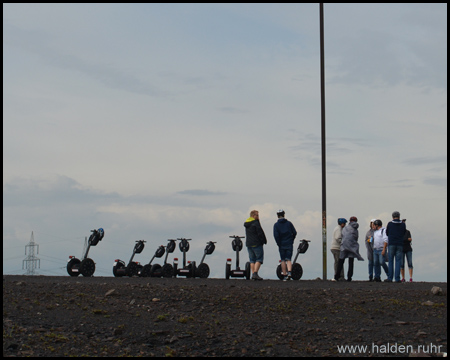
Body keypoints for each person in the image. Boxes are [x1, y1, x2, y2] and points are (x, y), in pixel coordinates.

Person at [334, 216, 364, 281]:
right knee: (351, 261)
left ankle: (337, 276)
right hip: (352, 246)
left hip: (344, 246)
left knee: (341, 261)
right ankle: (349, 277)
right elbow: (356, 238)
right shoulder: (356, 230)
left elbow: (342, 235)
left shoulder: (345, 228)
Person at [273, 209, 297, 281]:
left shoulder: (276, 225)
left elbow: (276, 235)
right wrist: (291, 240)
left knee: (283, 260)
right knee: (289, 259)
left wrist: (278, 243)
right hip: (289, 243)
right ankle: (289, 272)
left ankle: (284, 274)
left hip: (281, 244)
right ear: (284, 215)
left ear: (277, 216)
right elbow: (294, 232)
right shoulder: (289, 223)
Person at [244, 210, 267, 280]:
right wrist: (264, 241)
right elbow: (260, 233)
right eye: (257, 215)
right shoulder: (255, 223)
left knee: (252, 260)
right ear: (253, 216)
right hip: (256, 243)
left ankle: (253, 274)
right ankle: (255, 273)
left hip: (249, 243)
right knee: (259, 259)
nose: (258, 217)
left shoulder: (247, 223)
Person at [384, 211, 406, 283]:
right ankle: (397, 278)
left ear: (392, 217)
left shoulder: (390, 224)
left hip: (391, 243)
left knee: (390, 261)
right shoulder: (403, 224)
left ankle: (390, 277)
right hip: (399, 243)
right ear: (399, 217)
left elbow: (387, 233)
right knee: (398, 261)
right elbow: (404, 233)